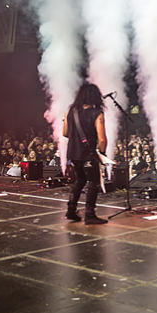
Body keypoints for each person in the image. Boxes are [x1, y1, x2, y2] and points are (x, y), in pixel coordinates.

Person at [62, 82, 108, 225]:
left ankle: (71, 210)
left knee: (80, 180)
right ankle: (90, 214)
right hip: (88, 154)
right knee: (94, 182)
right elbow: (102, 139)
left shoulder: (71, 111)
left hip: (73, 153)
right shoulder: (97, 114)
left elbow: (65, 133)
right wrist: (102, 153)